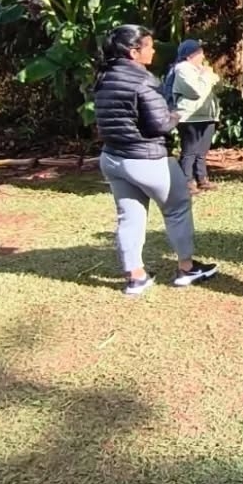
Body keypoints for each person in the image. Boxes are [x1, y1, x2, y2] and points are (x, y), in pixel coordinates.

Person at [93, 25, 217, 297]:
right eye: (148, 46)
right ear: (133, 52)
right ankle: (187, 269)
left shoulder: (103, 77)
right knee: (177, 209)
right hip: (147, 159)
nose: (153, 51)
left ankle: (135, 277)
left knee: (129, 217)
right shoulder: (143, 80)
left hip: (113, 158)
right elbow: (160, 124)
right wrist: (177, 114)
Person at [164, 39, 221, 192]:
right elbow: (195, 91)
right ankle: (186, 182)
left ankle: (202, 179)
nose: (203, 56)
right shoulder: (182, 69)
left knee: (202, 151)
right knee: (189, 151)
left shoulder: (201, 69)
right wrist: (207, 76)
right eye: (199, 53)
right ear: (189, 55)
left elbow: (217, 86)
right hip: (190, 116)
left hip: (207, 115)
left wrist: (208, 75)